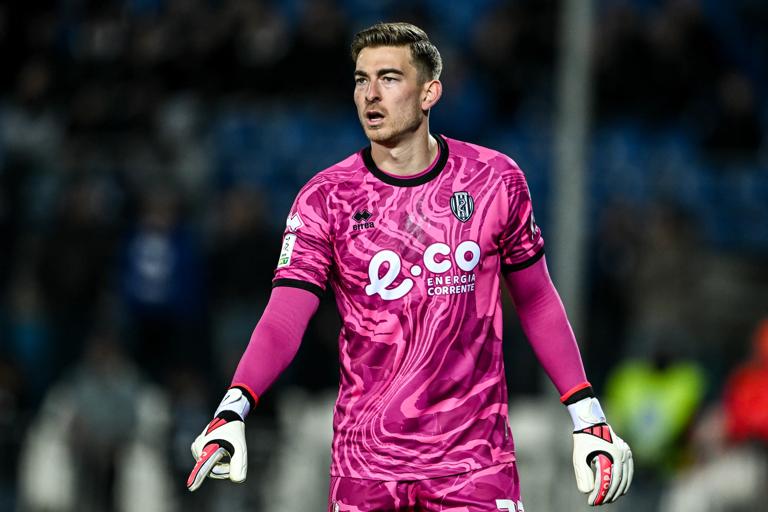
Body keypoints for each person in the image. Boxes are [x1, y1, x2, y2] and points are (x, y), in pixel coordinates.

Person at [187, 22, 633, 511]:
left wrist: (587, 415)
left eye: (389, 78)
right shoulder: (325, 199)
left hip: (473, 463)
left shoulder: (494, 181)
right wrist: (233, 408)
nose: (370, 95)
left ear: (429, 92)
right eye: (361, 79)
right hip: (367, 466)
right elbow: (284, 316)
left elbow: (537, 300)